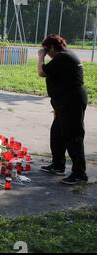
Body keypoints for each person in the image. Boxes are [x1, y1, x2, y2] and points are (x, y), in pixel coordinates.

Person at [37, 34, 88, 185]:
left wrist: (40, 57)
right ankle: (58, 164)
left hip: (72, 101)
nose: (46, 54)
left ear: (53, 47)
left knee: (73, 136)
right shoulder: (65, 56)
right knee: (57, 133)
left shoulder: (62, 57)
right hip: (64, 102)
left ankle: (79, 173)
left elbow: (42, 72)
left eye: (47, 50)